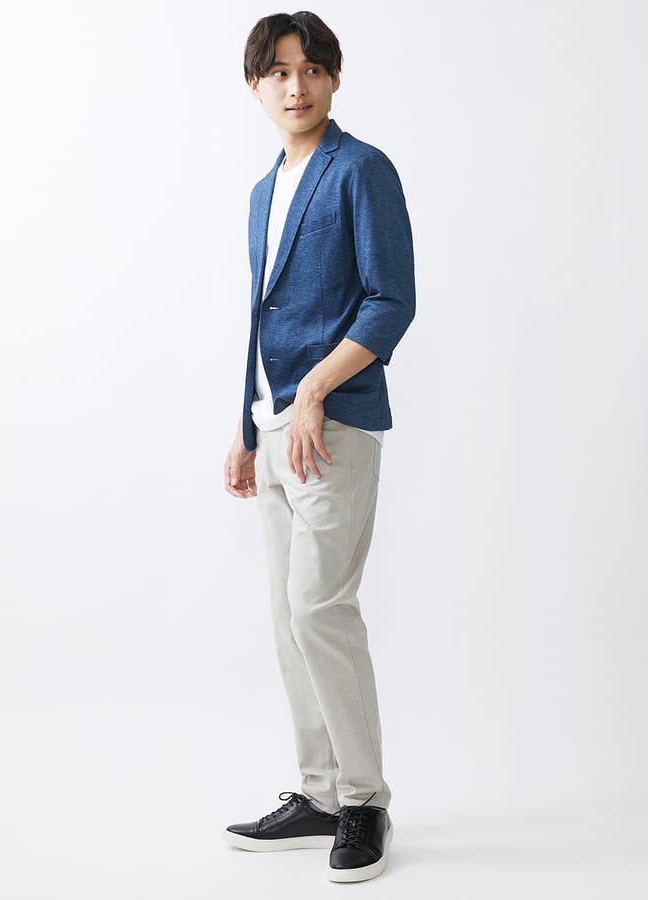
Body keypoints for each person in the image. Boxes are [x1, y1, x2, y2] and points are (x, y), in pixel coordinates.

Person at [222, 11, 416, 884]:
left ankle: (365, 800)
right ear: (255, 86)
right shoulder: (263, 192)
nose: (295, 86)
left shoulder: (360, 169)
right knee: (286, 618)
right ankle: (321, 793)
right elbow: (260, 316)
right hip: (274, 432)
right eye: (278, 72)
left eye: (310, 69)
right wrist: (244, 424)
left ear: (334, 78)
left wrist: (312, 391)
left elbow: (390, 300)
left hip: (331, 426)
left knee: (319, 609)